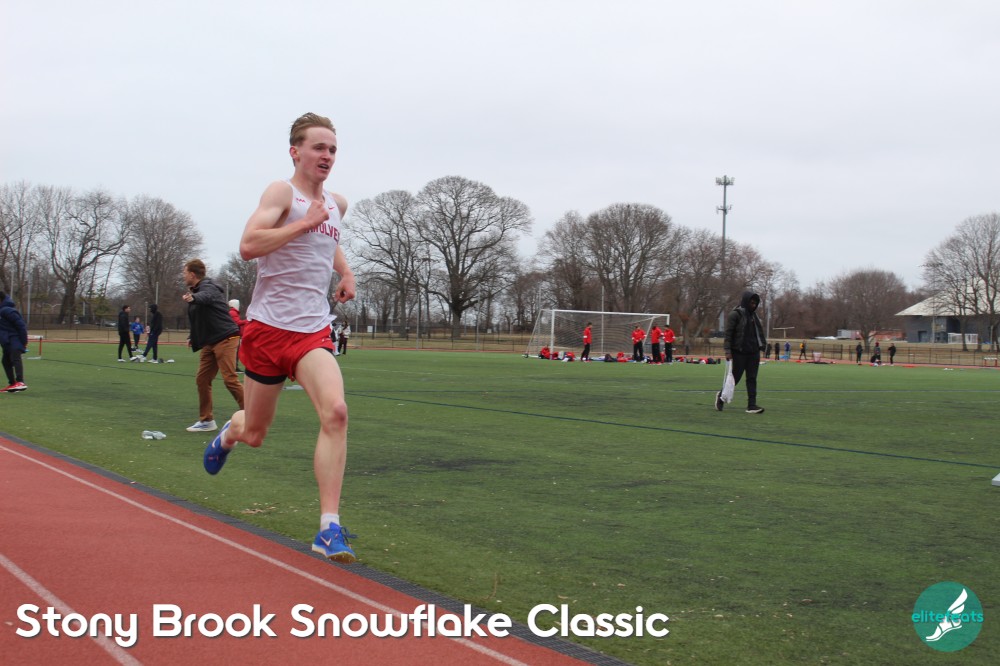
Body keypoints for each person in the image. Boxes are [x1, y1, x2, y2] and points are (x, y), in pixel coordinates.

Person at [202, 112, 359, 564]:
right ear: (296, 151)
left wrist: (346, 272)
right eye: (318, 147)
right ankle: (231, 432)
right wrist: (304, 223)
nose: (327, 156)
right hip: (269, 330)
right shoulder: (281, 193)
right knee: (255, 433)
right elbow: (249, 245)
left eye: (333, 149)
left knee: (336, 412)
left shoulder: (337, 204)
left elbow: (330, 240)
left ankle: (329, 528)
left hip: (312, 331)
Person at [182, 258, 244, 432]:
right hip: (210, 341)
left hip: (226, 337)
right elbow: (200, 318)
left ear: (192, 274)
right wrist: (192, 336)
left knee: (230, 379)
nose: (183, 276)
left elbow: (206, 297)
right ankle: (207, 421)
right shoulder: (197, 291)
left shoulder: (209, 287)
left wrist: (194, 298)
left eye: (184, 273)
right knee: (202, 379)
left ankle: (253, 415)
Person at [716, 291, 767, 414]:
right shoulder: (735, 314)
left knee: (752, 378)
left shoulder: (754, 316)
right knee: (735, 378)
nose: (753, 305)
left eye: (755, 303)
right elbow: (728, 334)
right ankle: (721, 397)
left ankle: (751, 405)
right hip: (739, 352)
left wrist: (763, 346)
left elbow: (759, 333)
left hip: (753, 352)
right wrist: (728, 351)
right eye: (751, 303)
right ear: (746, 301)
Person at [0, 290, 28, 393]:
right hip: (6, 342)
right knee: (5, 361)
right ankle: (12, 384)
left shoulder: (8, 310)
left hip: (14, 340)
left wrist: (24, 342)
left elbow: (21, 326)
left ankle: (20, 382)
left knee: (15, 358)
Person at [229, 299, 248, 372]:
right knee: (236, 352)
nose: (239, 306)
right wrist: (247, 321)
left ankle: (234, 367)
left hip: (235, 335)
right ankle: (234, 367)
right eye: (238, 304)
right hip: (234, 335)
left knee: (236, 352)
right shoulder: (233, 312)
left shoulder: (233, 312)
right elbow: (238, 322)